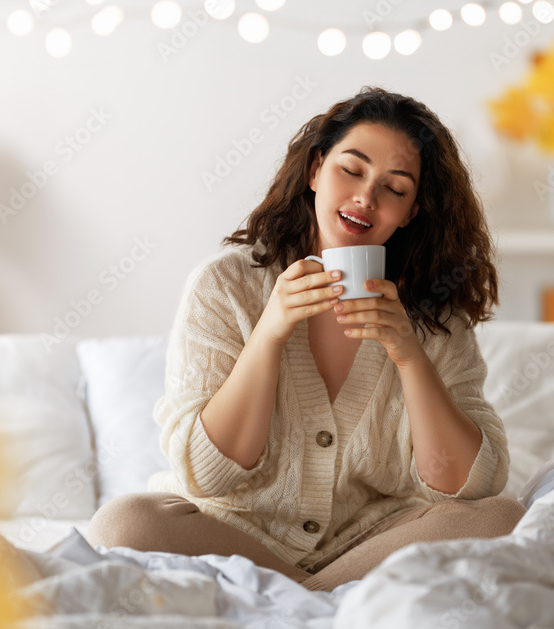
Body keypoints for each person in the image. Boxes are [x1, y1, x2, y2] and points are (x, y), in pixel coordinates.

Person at [86, 86, 525, 592]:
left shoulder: (436, 316)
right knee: (123, 525)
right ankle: (327, 600)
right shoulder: (225, 285)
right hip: (232, 535)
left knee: (501, 518)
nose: (366, 197)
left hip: (373, 544)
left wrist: (408, 355)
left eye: (395, 187)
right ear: (316, 170)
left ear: (410, 212)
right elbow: (206, 478)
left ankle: (292, 598)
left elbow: (469, 487)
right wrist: (270, 332)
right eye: (351, 170)